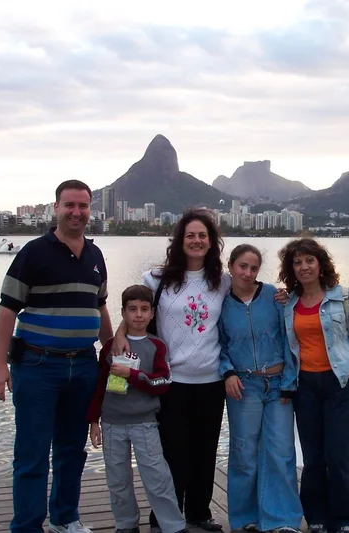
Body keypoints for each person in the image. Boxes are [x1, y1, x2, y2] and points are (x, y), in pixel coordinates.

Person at [0, 179, 113, 533]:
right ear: (56, 207)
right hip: (37, 366)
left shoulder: (95, 256)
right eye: (69, 205)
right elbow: (7, 311)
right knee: (32, 454)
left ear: (90, 210)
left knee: (72, 450)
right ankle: (28, 526)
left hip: (84, 365)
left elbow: (99, 306)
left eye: (83, 206)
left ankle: (65, 518)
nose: (76, 212)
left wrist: (110, 349)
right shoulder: (33, 252)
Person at [110, 208, 231, 533]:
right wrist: (120, 333)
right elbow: (135, 312)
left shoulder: (222, 281)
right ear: (180, 240)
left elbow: (250, 295)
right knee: (171, 452)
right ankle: (164, 516)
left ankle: (199, 512)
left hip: (211, 380)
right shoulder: (156, 279)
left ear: (211, 242)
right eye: (190, 235)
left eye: (202, 235)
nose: (196, 240)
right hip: (170, 380)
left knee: (205, 450)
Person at [277, 238, 349, 533]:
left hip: (339, 383)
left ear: (321, 265)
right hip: (305, 385)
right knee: (313, 455)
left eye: (309, 260)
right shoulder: (289, 303)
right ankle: (316, 517)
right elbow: (287, 347)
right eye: (297, 262)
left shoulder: (343, 296)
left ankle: (344, 519)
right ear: (291, 269)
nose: (304, 267)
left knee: (339, 454)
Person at [87, 285, 189, 533]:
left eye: (144, 309)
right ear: (123, 312)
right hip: (112, 423)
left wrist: (132, 375)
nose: (139, 315)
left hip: (144, 423)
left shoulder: (157, 346)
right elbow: (99, 386)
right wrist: (94, 420)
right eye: (132, 309)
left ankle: (173, 525)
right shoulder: (111, 346)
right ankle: (126, 524)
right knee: (117, 479)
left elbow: (163, 383)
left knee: (157, 477)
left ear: (152, 313)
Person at [217, 244, 302, 533]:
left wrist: (289, 381)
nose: (248, 273)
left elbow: (289, 339)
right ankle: (245, 519)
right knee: (244, 454)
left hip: (278, 386)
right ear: (230, 266)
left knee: (280, 452)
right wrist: (227, 372)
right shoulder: (222, 304)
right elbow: (218, 345)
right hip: (244, 386)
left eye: (253, 268)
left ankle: (282, 520)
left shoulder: (274, 297)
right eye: (242, 266)